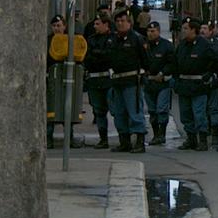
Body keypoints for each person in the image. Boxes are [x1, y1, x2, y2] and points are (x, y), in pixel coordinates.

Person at [174, 17, 218, 151]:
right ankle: (191, 138)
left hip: (198, 85)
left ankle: (202, 140)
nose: (183, 31)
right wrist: (176, 80)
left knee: (199, 114)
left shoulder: (205, 44)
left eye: (185, 29)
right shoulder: (182, 45)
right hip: (184, 85)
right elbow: (174, 63)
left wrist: (210, 73)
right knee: (185, 114)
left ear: (194, 30)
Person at [109, 8, 149, 153]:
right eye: (117, 21)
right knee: (119, 113)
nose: (120, 24)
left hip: (132, 81)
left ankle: (139, 142)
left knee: (135, 112)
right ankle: (124, 142)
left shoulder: (136, 39)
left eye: (123, 21)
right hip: (117, 81)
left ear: (129, 23)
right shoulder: (113, 39)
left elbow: (146, 60)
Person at [46, 14, 83, 149]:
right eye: (54, 26)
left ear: (64, 26)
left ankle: (69, 137)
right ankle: (48, 138)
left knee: (68, 108)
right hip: (51, 79)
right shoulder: (47, 41)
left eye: (59, 25)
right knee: (50, 109)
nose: (57, 28)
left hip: (68, 79)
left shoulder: (71, 40)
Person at [84, 13, 115, 149]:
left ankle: (125, 137)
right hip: (94, 79)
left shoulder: (113, 39)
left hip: (108, 79)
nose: (95, 26)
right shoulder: (91, 40)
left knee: (115, 109)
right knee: (98, 111)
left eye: (98, 24)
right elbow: (87, 57)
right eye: (95, 24)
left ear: (106, 25)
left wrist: (98, 55)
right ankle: (103, 139)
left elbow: (110, 57)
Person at [143, 20, 175, 146]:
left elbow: (172, 63)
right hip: (149, 82)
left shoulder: (166, 45)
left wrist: (163, 73)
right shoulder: (144, 46)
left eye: (153, 31)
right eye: (149, 31)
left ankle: (162, 134)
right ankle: (156, 135)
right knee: (152, 110)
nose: (150, 34)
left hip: (162, 82)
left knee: (162, 109)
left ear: (158, 31)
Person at [200, 20, 218, 148]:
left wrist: (213, 72)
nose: (202, 31)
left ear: (211, 31)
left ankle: (215, 134)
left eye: (205, 28)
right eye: (201, 28)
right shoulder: (197, 44)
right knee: (202, 109)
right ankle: (205, 131)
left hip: (213, 80)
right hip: (200, 82)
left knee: (214, 108)